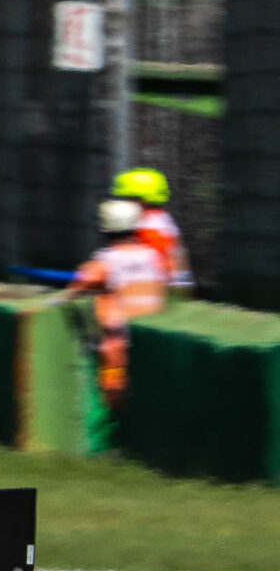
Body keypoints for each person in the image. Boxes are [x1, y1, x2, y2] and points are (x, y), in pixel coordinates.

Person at [65, 198, 168, 409]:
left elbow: (79, 285)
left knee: (108, 361)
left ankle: (112, 410)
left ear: (105, 229)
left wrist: (79, 285)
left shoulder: (105, 260)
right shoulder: (153, 256)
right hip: (153, 331)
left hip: (118, 342)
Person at [112, 167, 192, 292]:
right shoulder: (162, 219)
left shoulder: (149, 226)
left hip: (156, 290)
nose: (124, 203)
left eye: (127, 198)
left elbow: (153, 266)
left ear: (141, 200)